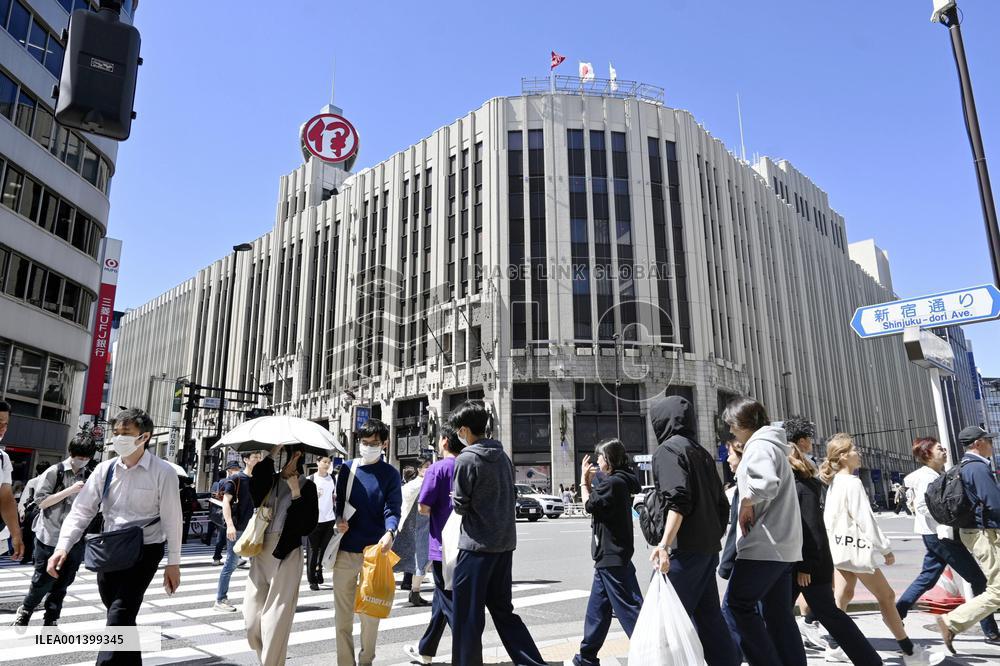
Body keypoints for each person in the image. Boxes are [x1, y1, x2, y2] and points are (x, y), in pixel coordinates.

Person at [48, 408, 183, 666]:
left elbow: (172, 519)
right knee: (120, 616)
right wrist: (63, 546)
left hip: (145, 550)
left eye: (126, 433)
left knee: (119, 613)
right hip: (110, 550)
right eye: (117, 433)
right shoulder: (104, 470)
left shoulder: (162, 472)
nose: (119, 438)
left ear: (144, 437)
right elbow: (82, 510)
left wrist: (173, 563)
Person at [450, 400, 546, 666]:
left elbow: (460, 505)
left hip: (475, 548)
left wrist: (455, 498)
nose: (458, 434)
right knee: (504, 612)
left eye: (459, 429)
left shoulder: (466, 459)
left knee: (467, 616)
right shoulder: (503, 456)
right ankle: (532, 663)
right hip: (503, 546)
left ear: (466, 430)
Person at [647, 394, 738, 666]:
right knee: (709, 618)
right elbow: (722, 505)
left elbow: (678, 500)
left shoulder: (668, 451)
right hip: (707, 549)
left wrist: (664, 544)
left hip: (683, 550)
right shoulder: (702, 453)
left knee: (663, 623)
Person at [821, 433, 923, 662]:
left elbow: (831, 519)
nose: (860, 453)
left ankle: (834, 644)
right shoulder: (852, 482)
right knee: (886, 595)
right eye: (854, 450)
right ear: (844, 456)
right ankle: (910, 651)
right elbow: (865, 519)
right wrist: (885, 549)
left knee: (843, 594)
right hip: (855, 550)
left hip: (839, 548)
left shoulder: (835, 482)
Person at [722, 396, 805, 666]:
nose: (731, 432)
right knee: (779, 615)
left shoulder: (758, 447)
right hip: (785, 546)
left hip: (764, 545)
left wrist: (746, 502)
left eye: (732, 425)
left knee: (736, 606)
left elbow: (766, 485)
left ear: (743, 422)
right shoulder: (775, 446)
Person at [789, 436, 882, 664]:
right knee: (775, 614)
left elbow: (813, 531)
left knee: (827, 614)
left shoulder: (803, 488)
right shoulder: (796, 486)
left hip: (808, 567)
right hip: (800, 565)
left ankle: (869, 659)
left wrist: (805, 566)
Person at [897, 436, 999, 644]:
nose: (944, 451)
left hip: (937, 535)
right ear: (927, 454)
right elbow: (925, 507)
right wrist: (950, 519)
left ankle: (896, 614)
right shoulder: (927, 477)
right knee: (978, 580)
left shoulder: (938, 473)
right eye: (939, 449)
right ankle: (990, 631)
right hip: (940, 536)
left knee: (927, 578)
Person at [333, 419, 402, 666]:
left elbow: (393, 508)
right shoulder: (348, 470)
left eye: (373, 443)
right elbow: (338, 504)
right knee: (342, 617)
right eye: (363, 442)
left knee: (370, 616)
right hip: (345, 551)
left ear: (384, 444)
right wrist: (339, 519)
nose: (368, 447)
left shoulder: (390, 474)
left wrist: (390, 531)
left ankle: (366, 661)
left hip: (374, 553)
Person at [11, 434, 97, 627]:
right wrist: (70, 490)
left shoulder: (90, 475)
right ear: (71, 453)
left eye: (86, 458)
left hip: (74, 538)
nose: (82, 461)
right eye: (79, 456)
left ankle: (51, 618)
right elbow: (41, 502)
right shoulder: (54, 472)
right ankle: (25, 609)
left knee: (64, 581)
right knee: (43, 579)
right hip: (49, 536)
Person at [243, 445, 318, 666]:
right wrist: (272, 453)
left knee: (274, 622)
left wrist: (296, 492)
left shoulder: (308, 486)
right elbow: (255, 486)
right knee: (251, 622)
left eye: (289, 454)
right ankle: (268, 660)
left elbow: (306, 526)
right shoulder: (270, 481)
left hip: (287, 554)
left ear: (297, 456)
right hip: (260, 552)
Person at [572, 439, 643, 666]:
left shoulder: (613, 483)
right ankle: (586, 657)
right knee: (598, 610)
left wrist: (584, 481)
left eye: (600, 456)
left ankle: (653, 649)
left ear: (609, 460)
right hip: (610, 554)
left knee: (630, 610)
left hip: (612, 555)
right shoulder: (621, 481)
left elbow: (589, 505)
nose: (597, 460)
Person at [936, 426, 1000, 655]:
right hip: (986, 534)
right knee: (999, 590)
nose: (991, 444)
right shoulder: (977, 468)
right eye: (988, 440)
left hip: (976, 532)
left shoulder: (963, 467)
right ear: (978, 443)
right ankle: (952, 622)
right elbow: (994, 503)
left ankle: (953, 622)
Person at [404, 426, 464, 664]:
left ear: (445, 441)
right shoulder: (468, 466)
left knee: (448, 600)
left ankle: (467, 651)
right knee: (441, 599)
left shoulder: (436, 469)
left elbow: (423, 507)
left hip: (441, 545)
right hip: (467, 544)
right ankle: (425, 651)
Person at [780, 416, 825, 651]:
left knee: (779, 610)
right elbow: (808, 525)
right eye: (808, 438)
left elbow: (808, 524)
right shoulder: (800, 481)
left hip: (801, 559)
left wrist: (806, 564)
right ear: (801, 442)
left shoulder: (801, 482)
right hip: (802, 558)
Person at [213, 452, 260, 612]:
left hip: (253, 527)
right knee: (231, 563)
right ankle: (220, 599)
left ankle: (256, 599)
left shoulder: (257, 480)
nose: (258, 459)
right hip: (238, 526)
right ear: (246, 460)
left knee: (258, 563)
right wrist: (230, 525)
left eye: (259, 456)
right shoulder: (235, 479)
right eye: (254, 457)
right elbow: (226, 502)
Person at [393, 456, 433, 606]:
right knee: (421, 559)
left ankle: (414, 592)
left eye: (430, 466)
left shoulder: (414, 484)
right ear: (419, 469)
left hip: (416, 527)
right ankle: (415, 592)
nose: (428, 469)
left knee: (418, 559)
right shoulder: (420, 484)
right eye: (425, 466)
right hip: (418, 527)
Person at [306, 455, 337, 591]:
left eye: (329, 462)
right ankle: (312, 579)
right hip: (313, 520)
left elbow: (334, 497)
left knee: (324, 550)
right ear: (317, 462)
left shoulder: (333, 479)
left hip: (329, 519)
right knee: (313, 551)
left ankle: (319, 571)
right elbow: (302, 499)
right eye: (324, 462)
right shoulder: (310, 479)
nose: (327, 464)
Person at [0, 401, 25, 562]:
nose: (2, 428)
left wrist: (16, 534)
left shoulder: (3, 458)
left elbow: (6, 499)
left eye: (5, 424)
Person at [17, 463, 48, 564]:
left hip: (31, 511)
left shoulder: (33, 481)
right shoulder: (50, 481)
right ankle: (37, 557)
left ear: (37, 471)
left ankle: (26, 556)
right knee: (40, 534)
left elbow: (25, 497)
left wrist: (21, 511)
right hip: (44, 510)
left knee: (27, 535)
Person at [206, 473, 227, 563]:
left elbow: (213, 496)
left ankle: (217, 557)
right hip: (226, 512)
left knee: (221, 535)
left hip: (217, 512)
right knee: (224, 535)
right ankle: (236, 557)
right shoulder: (228, 482)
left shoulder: (216, 484)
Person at [179, 477, 198, 544]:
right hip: (190, 510)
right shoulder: (193, 490)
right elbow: (195, 500)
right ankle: (184, 539)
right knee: (187, 525)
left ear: (184, 483)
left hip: (182, 510)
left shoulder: (181, 491)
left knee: (180, 525)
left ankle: (180, 539)